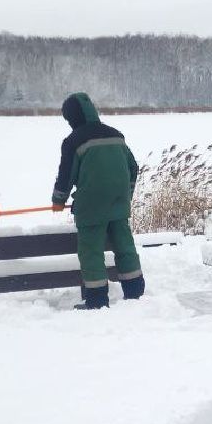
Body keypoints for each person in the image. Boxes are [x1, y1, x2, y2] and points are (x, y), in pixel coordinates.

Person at [51, 92, 144, 309]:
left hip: (91, 207)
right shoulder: (116, 135)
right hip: (119, 204)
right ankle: (135, 292)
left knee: (91, 252)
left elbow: (66, 176)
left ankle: (97, 300)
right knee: (125, 246)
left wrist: (59, 200)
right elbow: (133, 168)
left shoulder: (73, 141)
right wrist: (126, 194)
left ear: (72, 117)